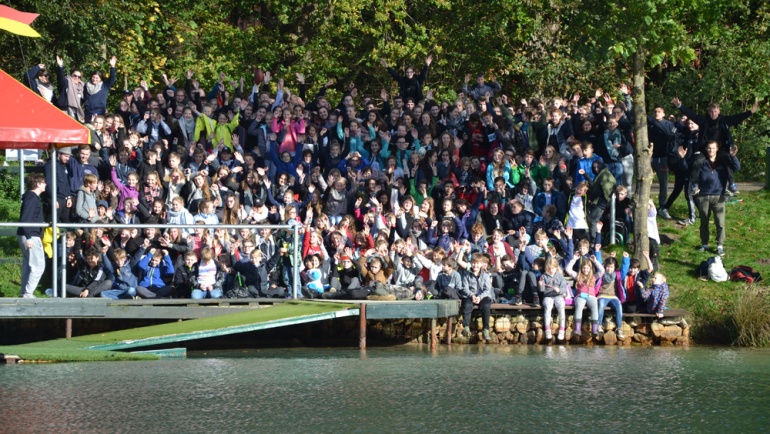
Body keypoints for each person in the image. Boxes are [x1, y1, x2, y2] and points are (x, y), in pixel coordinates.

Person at [672, 97, 758, 194]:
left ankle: (731, 184)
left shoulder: (724, 120)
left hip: (719, 149)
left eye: (715, 111)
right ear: (708, 112)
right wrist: (679, 106)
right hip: (705, 148)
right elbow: (691, 114)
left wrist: (751, 112)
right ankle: (695, 184)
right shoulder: (703, 120)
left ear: (719, 111)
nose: (713, 114)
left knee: (726, 159)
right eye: (711, 112)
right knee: (697, 160)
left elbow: (737, 118)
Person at [691, 141, 740, 256]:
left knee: (720, 222)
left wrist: (733, 156)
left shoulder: (723, 163)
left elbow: (737, 168)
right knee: (704, 222)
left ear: (717, 149)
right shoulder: (702, 162)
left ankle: (720, 245)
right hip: (703, 196)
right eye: (709, 148)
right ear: (706, 149)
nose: (711, 151)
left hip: (719, 196)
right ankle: (704, 244)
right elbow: (692, 172)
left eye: (713, 148)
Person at [17, 173, 46, 298]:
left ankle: (24, 292)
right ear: (38, 184)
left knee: (29, 265)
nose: (46, 185)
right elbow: (26, 218)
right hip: (31, 235)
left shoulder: (31, 198)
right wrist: (28, 236)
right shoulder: (32, 198)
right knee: (38, 265)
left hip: (27, 234)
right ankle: (28, 293)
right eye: (44, 182)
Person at [458, 252, 493, 342]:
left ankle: (486, 329)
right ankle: (466, 326)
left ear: (481, 264)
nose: (475, 265)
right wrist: (472, 295)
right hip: (470, 295)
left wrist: (480, 297)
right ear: (471, 263)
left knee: (486, 306)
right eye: (473, 263)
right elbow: (464, 288)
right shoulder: (466, 275)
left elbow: (487, 290)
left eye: (477, 263)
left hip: (483, 296)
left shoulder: (485, 276)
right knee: (467, 304)